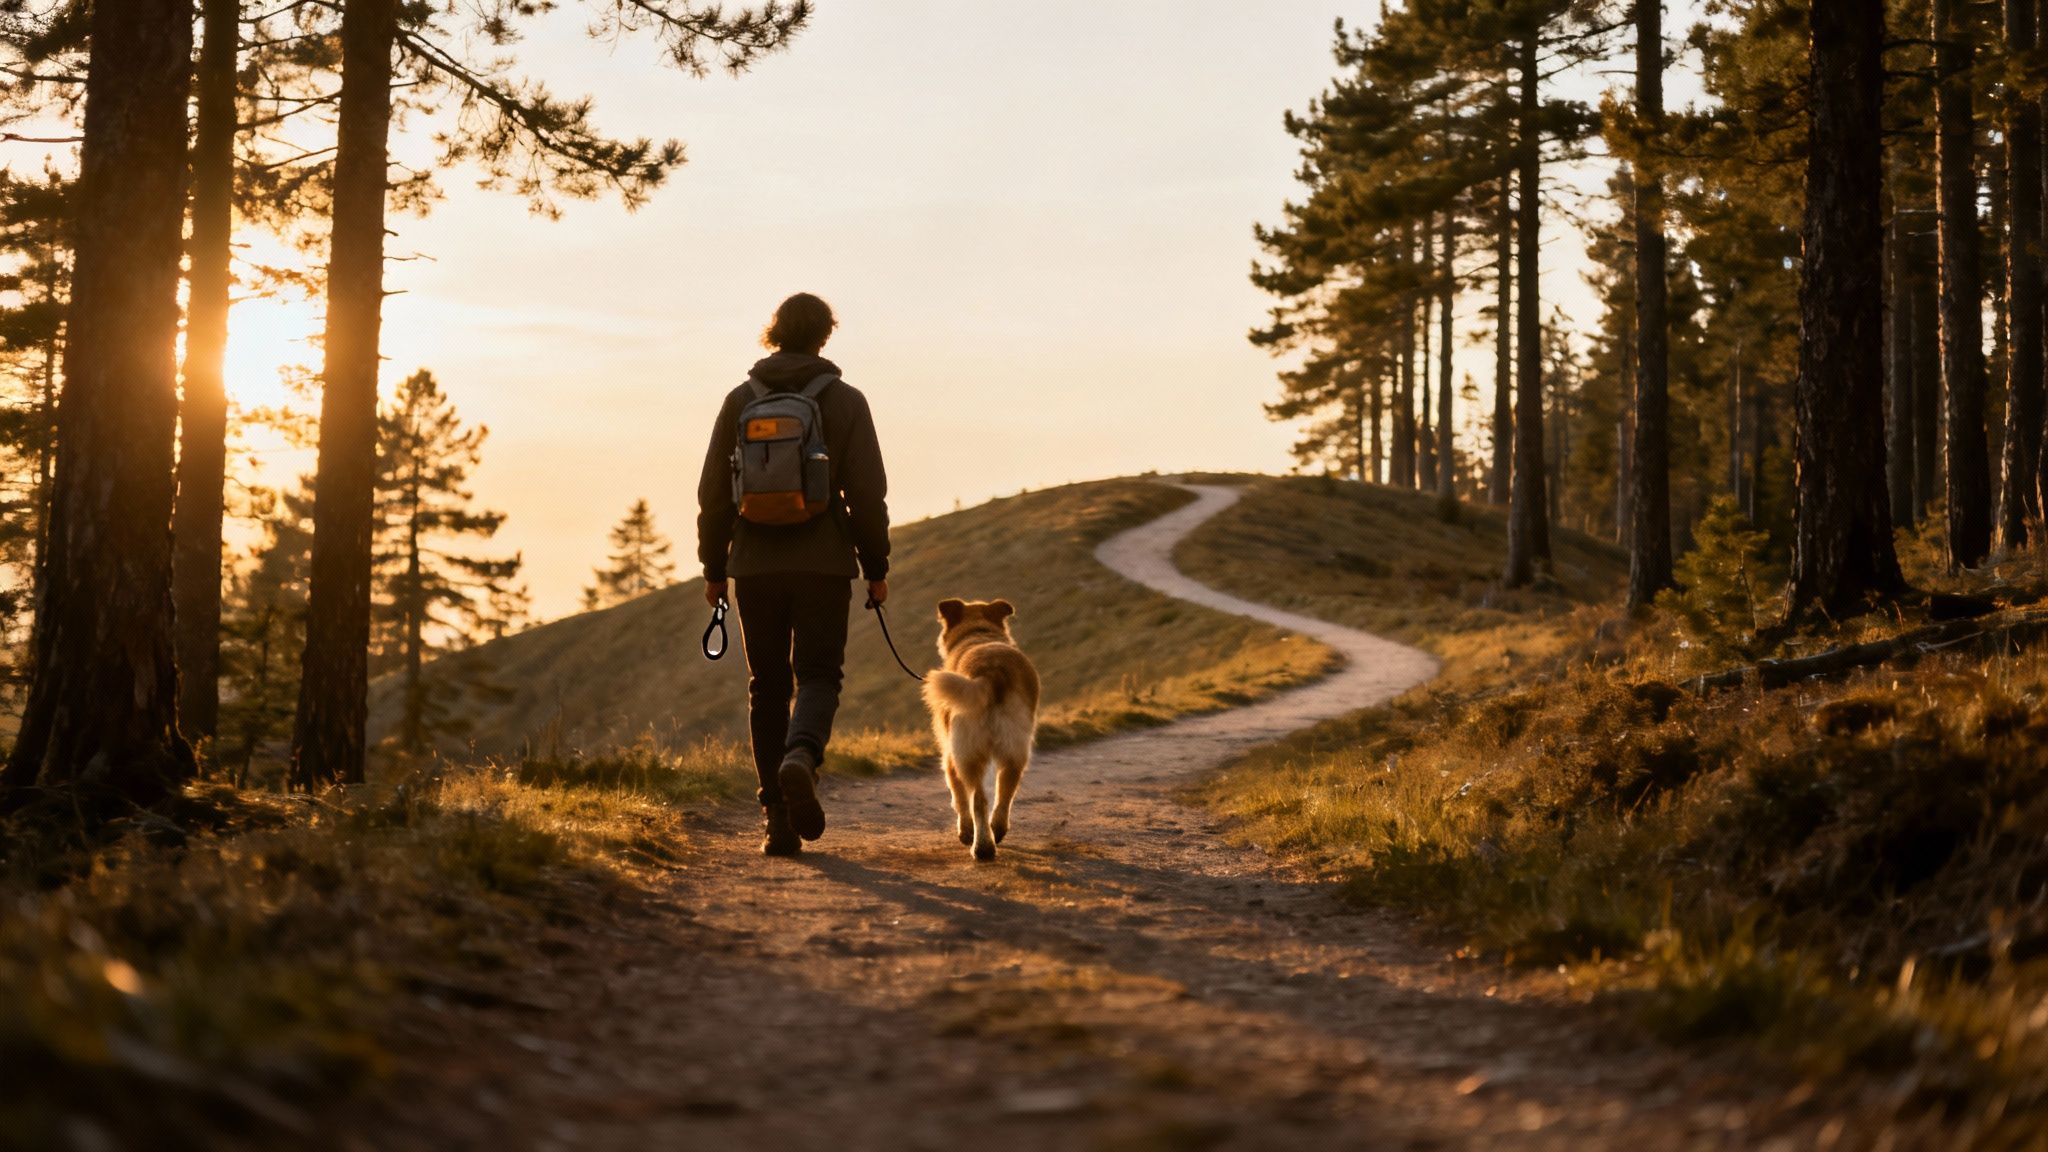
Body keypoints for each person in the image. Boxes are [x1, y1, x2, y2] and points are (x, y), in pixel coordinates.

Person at [697, 293, 891, 857]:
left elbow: (713, 492)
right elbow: (868, 492)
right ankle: (801, 756)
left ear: (774, 333)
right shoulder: (846, 401)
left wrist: (715, 568)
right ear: (824, 336)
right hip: (824, 563)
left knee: (767, 687)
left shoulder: (739, 400)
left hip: (754, 565)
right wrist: (875, 567)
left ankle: (777, 823)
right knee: (819, 676)